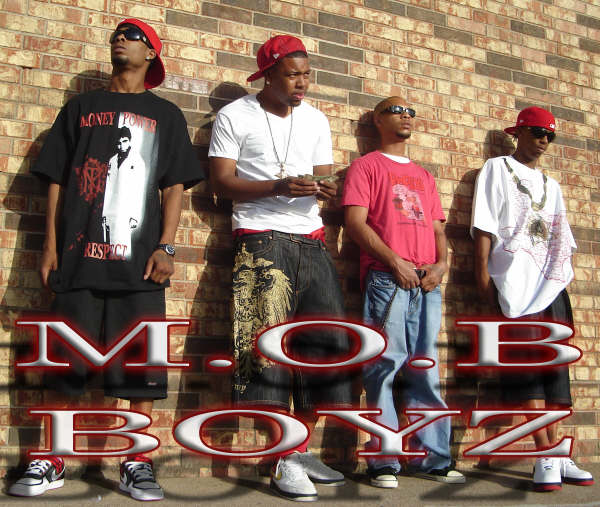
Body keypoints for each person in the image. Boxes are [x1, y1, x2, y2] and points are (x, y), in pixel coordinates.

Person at [8, 18, 203, 501]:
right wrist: (50, 246)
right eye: (117, 33)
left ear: (152, 53)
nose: (120, 39)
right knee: (63, 361)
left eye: (132, 35)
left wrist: (167, 246)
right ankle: (51, 457)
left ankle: (136, 462)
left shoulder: (165, 115)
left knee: (141, 368)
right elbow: (56, 178)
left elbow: (174, 185)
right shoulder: (81, 108)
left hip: (139, 264)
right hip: (77, 259)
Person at [209, 35, 352, 502]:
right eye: (292, 75)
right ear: (268, 74)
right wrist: (277, 186)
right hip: (260, 237)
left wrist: (327, 189)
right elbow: (221, 182)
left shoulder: (316, 119)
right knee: (264, 348)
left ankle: (300, 449)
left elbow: (326, 176)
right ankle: (282, 458)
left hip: (311, 240)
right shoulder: (236, 116)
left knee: (326, 346)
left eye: (306, 74)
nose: (301, 83)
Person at [342, 97, 465, 488]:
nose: (406, 116)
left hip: (427, 283)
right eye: (396, 110)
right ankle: (383, 461)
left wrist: (441, 267)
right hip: (387, 279)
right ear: (378, 120)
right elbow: (355, 223)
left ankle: (434, 459)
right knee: (384, 366)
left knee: (425, 369)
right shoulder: (365, 167)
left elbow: (438, 230)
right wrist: (395, 262)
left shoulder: (423, 176)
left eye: (411, 112)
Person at [471, 106, 593, 491]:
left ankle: (556, 453)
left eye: (549, 136)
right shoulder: (497, 169)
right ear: (518, 132)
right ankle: (545, 455)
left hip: (550, 287)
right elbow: (484, 226)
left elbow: (560, 239)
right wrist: (482, 276)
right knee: (527, 374)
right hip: (515, 286)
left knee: (555, 374)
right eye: (538, 132)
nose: (543, 141)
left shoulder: (550, 185)